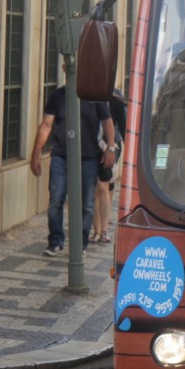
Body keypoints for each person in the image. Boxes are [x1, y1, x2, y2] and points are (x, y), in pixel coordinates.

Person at [30, 83, 116, 256]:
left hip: (88, 157)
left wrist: (111, 148)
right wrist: (36, 154)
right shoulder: (57, 96)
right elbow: (46, 125)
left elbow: (107, 122)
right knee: (56, 199)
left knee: (87, 204)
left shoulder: (94, 95)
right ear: (64, 67)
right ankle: (55, 242)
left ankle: (80, 245)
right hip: (61, 156)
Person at [91, 88, 127, 244]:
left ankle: (103, 230)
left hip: (111, 146)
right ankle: (97, 230)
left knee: (102, 186)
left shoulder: (116, 102)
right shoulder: (87, 96)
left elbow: (125, 129)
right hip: (91, 146)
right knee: (96, 188)